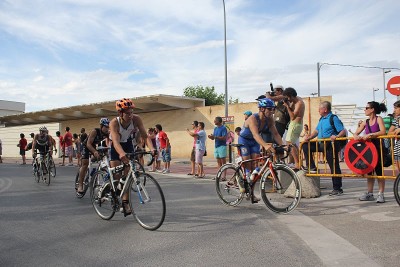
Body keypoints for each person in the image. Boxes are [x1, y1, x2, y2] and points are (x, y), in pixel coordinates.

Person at [109, 98, 155, 216]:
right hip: (116, 146)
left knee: (127, 174)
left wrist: (152, 149)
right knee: (116, 175)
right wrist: (121, 153)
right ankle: (113, 194)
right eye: (127, 113)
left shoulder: (136, 119)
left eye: (132, 112)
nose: (130, 115)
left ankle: (125, 202)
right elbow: (115, 141)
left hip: (128, 143)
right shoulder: (114, 122)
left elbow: (145, 136)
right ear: (120, 113)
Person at [302, 101, 346, 196]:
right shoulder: (321, 119)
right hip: (321, 143)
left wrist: (336, 136)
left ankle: (337, 188)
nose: (318, 110)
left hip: (330, 145)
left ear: (325, 109)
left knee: (333, 166)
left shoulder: (333, 118)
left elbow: (342, 130)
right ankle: (312, 166)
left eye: (320, 108)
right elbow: (316, 131)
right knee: (306, 146)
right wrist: (309, 137)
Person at [354, 101, 387, 203]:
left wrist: (371, 135)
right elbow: (356, 133)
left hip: (378, 149)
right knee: (369, 172)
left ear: (372, 109)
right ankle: (370, 193)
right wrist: (357, 136)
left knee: (379, 172)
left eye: (366, 108)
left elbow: (383, 131)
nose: (365, 109)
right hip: (368, 151)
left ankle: (381, 194)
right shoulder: (365, 122)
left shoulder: (379, 119)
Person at [238, 98, 283, 173]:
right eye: (269, 109)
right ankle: (242, 176)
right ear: (262, 109)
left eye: (273, 109)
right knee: (247, 162)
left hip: (254, 140)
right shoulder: (253, 118)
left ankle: (250, 179)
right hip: (244, 140)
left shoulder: (269, 119)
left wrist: (282, 145)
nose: (272, 112)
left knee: (255, 162)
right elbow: (255, 134)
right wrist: (265, 145)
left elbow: (275, 134)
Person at [76, 118, 110, 198]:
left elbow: (110, 142)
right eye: (106, 127)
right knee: (85, 164)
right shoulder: (95, 131)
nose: (107, 129)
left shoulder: (107, 133)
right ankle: (80, 185)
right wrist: (95, 152)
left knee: (103, 159)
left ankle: (95, 174)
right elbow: (88, 144)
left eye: (108, 127)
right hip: (86, 146)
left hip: (95, 146)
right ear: (101, 126)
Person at [282, 87, 305, 170]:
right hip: (295, 124)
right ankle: (298, 162)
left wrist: (287, 107)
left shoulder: (299, 103)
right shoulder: (295, 101)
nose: (288, 99)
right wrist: (288, 105)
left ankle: (297, 163)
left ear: (291, 96)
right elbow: (292, 110)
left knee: (289, 143)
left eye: (288, 97)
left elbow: (292, 117)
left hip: (295, 124)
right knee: (293, 144)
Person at [388, 100, 400, 175]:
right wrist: (396, 131)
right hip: (397, 149)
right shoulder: (396, 120)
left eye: (396, 108)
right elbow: (389, 133)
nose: (394, 110)